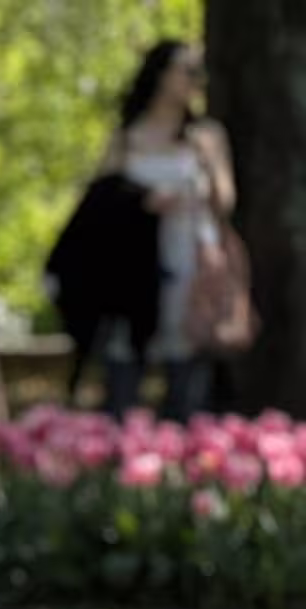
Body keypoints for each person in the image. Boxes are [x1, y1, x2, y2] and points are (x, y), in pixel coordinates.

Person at [93, 41, 238, 421]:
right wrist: (143, 201)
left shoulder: (207, 135)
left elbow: (225, 203)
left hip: (192, 271)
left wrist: (206, 162)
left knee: (188, 384)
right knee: (125, 378)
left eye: (198, 72)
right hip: (134, 272)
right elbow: (98, 205)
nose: (195, 80)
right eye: (187, 70)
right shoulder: (126, 137)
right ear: (160, 74)